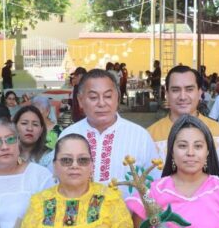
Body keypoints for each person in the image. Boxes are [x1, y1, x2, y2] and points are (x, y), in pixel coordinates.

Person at [58, 68, 157, 198]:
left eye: (108, 96)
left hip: (129, 217)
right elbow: (57, 183)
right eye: (93, 97)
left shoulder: (140, 136)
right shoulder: (68, 136)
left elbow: (155, 185)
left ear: (117, 98)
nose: (101, 103)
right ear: (80, 100)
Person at [147, 65, 219, 162]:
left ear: (200, 93)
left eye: (189, 89)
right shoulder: (149, 137)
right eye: (175, 90)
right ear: (167, 95)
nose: (182, 97)